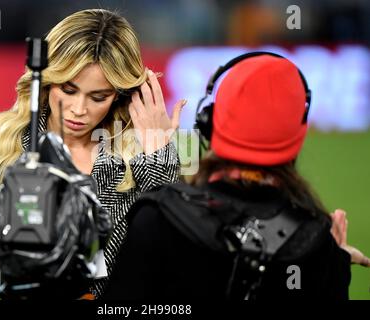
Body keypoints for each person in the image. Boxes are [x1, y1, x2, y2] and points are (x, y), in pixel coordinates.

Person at [0, 9, 184, 300]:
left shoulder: (144, 160)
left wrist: (161, 162)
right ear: (47, 80)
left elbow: (175, 272)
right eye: (68, 89)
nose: (79, 109)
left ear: (119, 94)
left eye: (98, 97)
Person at [103, 53, 369, 300]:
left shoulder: (157, 219)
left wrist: (158, 175)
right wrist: (334, 267)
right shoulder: (317, 244)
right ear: (297, 138)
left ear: (209, 120)